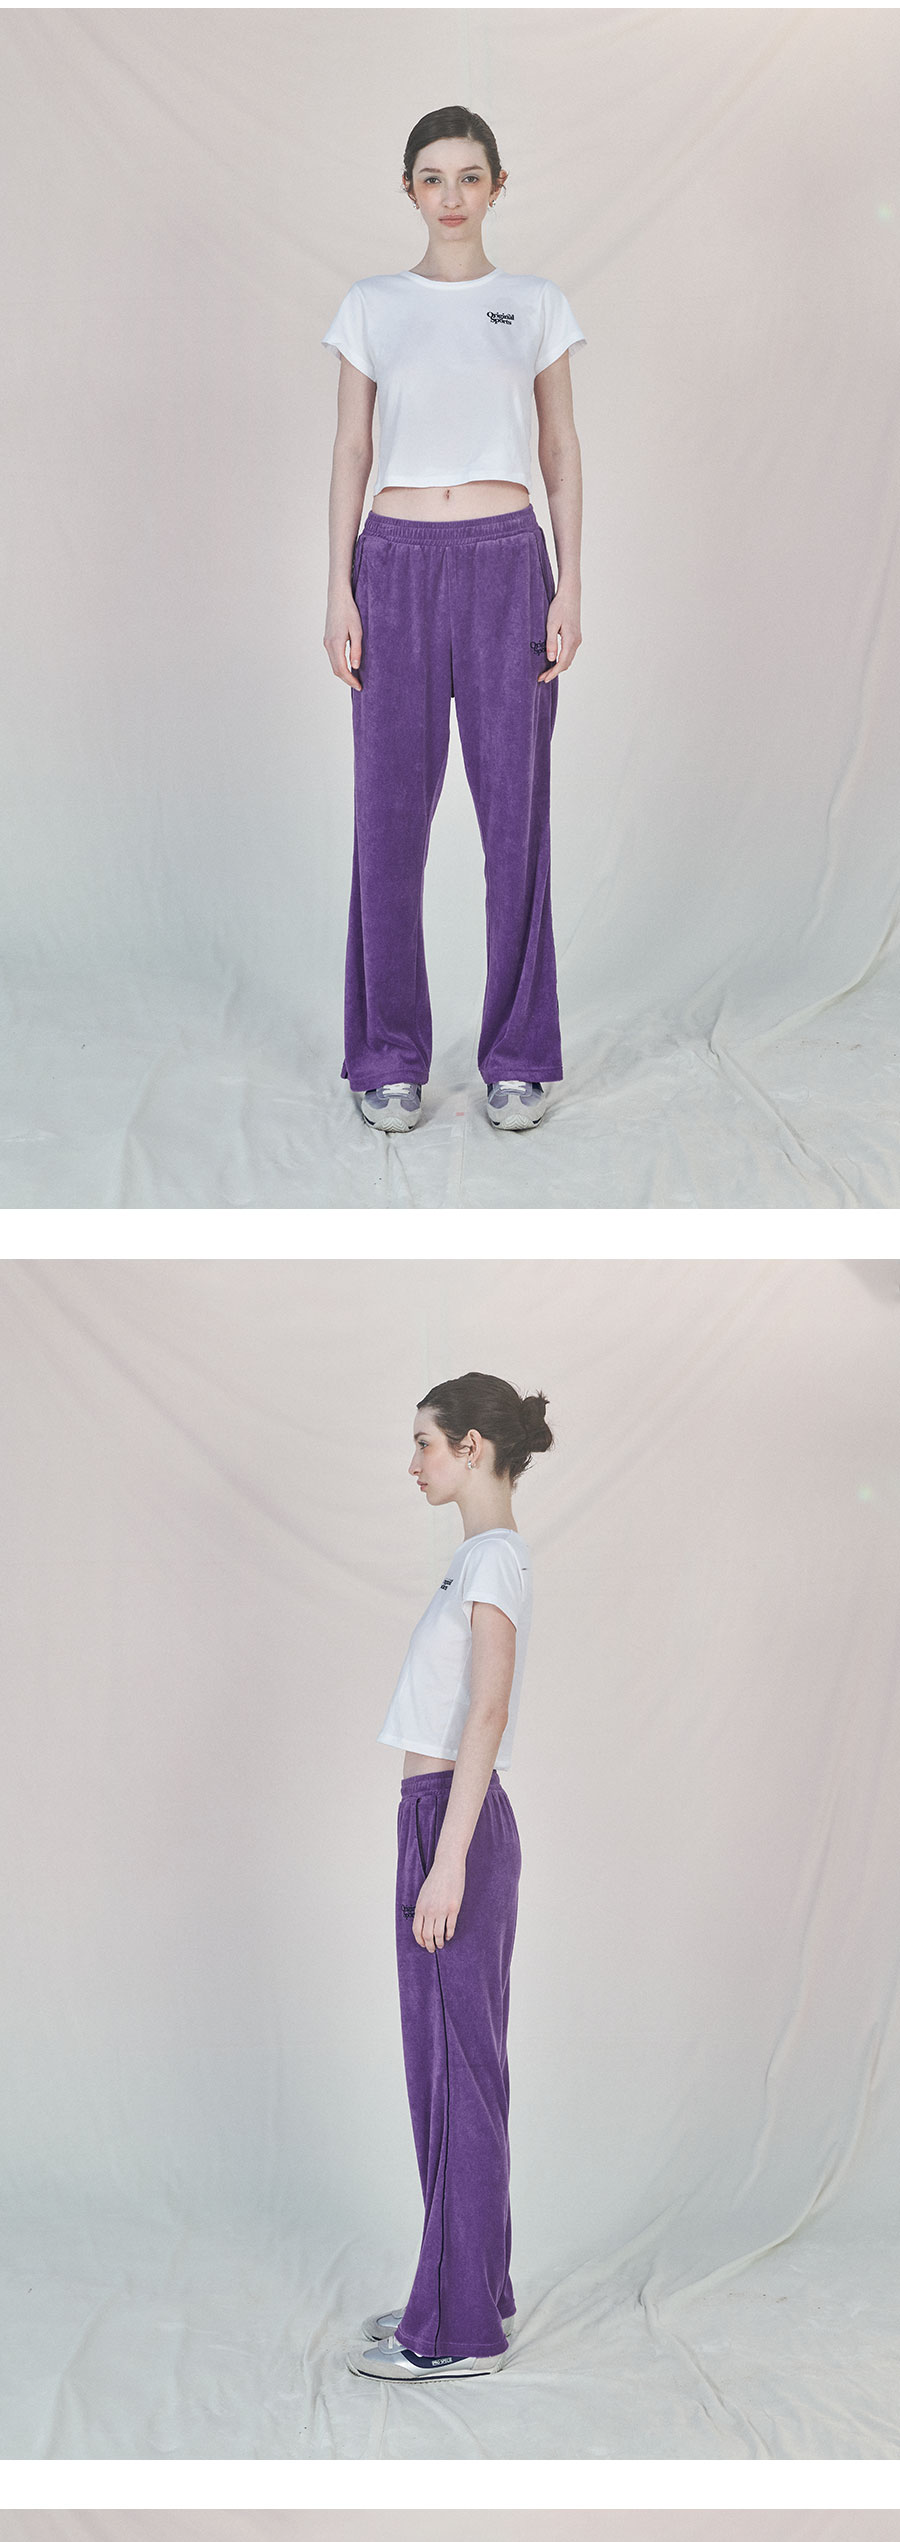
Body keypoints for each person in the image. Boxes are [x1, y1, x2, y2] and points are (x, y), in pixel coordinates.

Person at [323, 106, 584, 1136]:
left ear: (497, 186)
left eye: (470, 176)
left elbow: (559, 450)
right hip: (392, 566)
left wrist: (571, 585)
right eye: (432, 177)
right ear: (409, 189)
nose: (451, 196)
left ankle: (517, 1057)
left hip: (508, 565)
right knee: (388, 820)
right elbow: (351, 451)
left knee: (514, 820)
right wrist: (338, 589)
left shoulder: (536, 304)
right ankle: (388, 1055)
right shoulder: (371, 306)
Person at [347, 1370, 553, 2386]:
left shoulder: (495, 1560)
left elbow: (488, 1711)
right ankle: (465, 2282)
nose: (414, 1462)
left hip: (452, 1827)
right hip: (436, 1821)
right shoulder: (477, 1558)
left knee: (457, 2074)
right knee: (450, 2069)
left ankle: (460, 2327)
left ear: (473, 1447)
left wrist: (450, 1861)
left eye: (426, 1442)